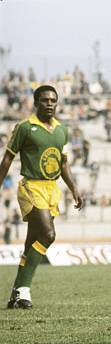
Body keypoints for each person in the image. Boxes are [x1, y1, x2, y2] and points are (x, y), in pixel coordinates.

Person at [0, 85, 83, 309]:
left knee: (31, 244)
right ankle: (24, 288)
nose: (49, 104)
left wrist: (73, 188)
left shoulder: (61, 130)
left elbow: (63, 163)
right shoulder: (25, 127)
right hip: (31, 186)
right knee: (48, 234)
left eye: (53, 100)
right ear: (36, 103)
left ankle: (17, 294)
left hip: (51, 188)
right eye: (45, 100)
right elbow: (8, 159)